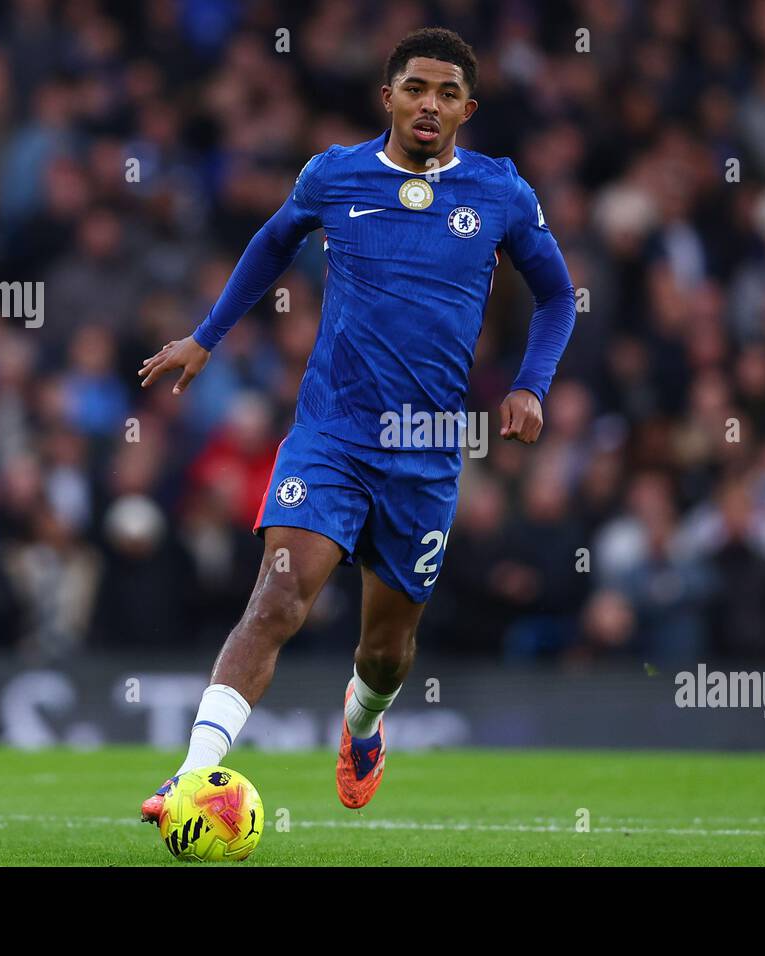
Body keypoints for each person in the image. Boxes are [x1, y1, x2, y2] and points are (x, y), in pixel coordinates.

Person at [136, 27, 575, 819]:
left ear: (467, 108)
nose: (430, 104)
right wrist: (206, 336)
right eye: (416, 88)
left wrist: (532, 387)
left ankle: (362, 724)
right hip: (332, 434)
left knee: (384, 650)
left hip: (429, 451)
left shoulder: (500, 192)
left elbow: (557, 296)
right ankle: (194, 776)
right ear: (389, 96)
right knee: (275, 600)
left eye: (447, 92)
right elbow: (272, 244)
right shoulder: (334, 174)